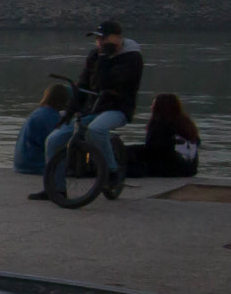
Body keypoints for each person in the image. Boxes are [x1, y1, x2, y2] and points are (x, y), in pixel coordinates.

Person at [34, 20, 145, 198]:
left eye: (103, 39)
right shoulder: (95, 55)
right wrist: (70, 111)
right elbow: (84, 84)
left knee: (97, 129)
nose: (99, 43)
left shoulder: (132, 58)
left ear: (117, 38)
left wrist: (103, 58)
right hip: (92, 109)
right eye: (97, 39)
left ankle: (112, 171)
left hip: (117, 108)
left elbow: (105, 83)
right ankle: (55, 188)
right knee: (54, 140)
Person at [126, 93, 202, 178]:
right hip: (190, 168)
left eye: (153, 104)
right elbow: (196, 142)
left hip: (171, 169)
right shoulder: (187, 124)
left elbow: (152, 148)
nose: (151, 107)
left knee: (127, 153)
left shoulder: (158, 124)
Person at [13, 84, 70, 174]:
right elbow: (58, 143)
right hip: (34, 166)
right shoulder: (50, 117)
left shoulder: (39, 112)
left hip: (21, 163)